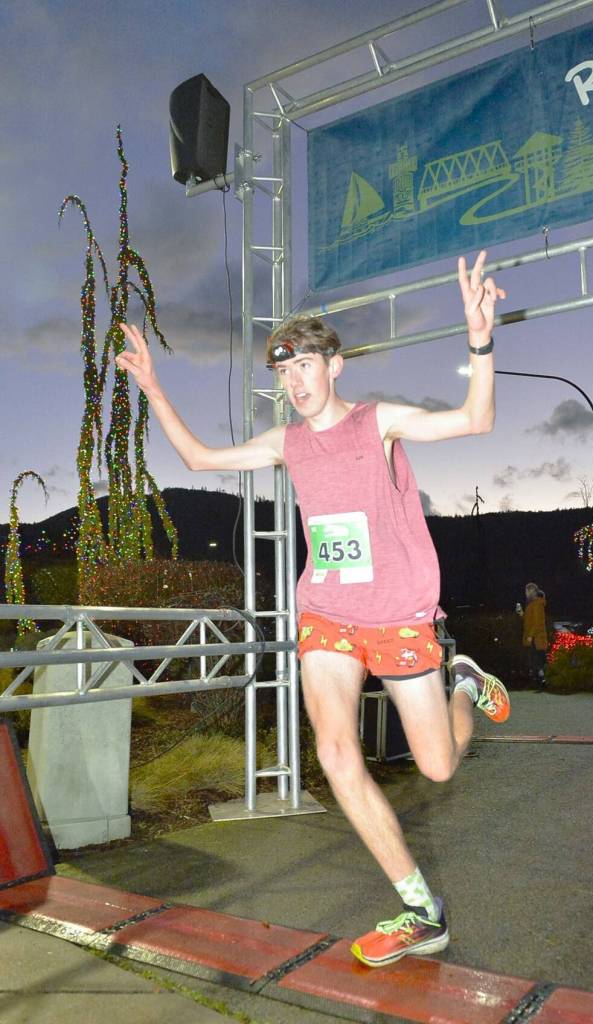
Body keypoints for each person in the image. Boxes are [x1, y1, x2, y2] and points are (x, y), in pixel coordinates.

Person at [116, 249, 510, 968]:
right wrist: (151, 384)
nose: (293, 382)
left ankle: (459, 682)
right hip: (325, 611)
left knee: (438, 768)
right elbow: (202, 461)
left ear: (334, 366)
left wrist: (478, 338)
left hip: (396, 614)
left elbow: (475, 420)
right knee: (333, 753)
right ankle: (421, 908)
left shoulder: (376, 421)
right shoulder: (285, 443)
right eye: (282, 372)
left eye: (303, 366)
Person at [516, 583, 548, 685]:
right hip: (534, 637)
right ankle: (539, 680)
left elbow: (537, 622)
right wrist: (521, 614)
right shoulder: (533, 604)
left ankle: (542, 680)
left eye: (526, 591)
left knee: (537, 660)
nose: (525, 593)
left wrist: (531, 635)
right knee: (535, 660)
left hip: (536, 637)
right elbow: (529, 620)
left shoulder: (537, 604)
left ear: (531, 591)